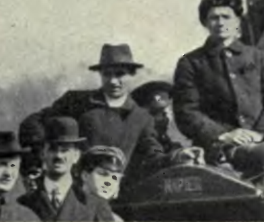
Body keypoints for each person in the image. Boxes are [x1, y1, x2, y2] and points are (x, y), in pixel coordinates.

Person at [20, 44, 190, 194]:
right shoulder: (77, 102)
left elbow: (152, 156)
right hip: (71, 194)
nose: (114, 81)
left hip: (113, 196)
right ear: (100, 75)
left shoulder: (141, 117)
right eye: (107, 74)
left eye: (120, 74)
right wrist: (37, 154)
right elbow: (34, 122)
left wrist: (177, 157)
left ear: (131, 75)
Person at [173, 0, 264, 161]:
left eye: (226, 17)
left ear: (237, 21)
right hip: (217, 146)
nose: (220, 23)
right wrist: (224, 135)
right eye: (214, 17)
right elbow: (186, 111)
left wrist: (260, 133)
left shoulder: (257, 57)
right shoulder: (191, 62)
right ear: (205, 23)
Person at [17, 118, 115, 222]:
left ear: (76, 156)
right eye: (52, 149)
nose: (58, 156)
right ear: (43, 154)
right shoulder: (24, 204)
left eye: (65, 150)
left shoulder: (95, 206)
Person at [129, 81, 190, 153]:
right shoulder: (139, 139)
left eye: (166, 112)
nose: (167, 117)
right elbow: (153, 152)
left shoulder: (164, 139)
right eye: (157, 112)